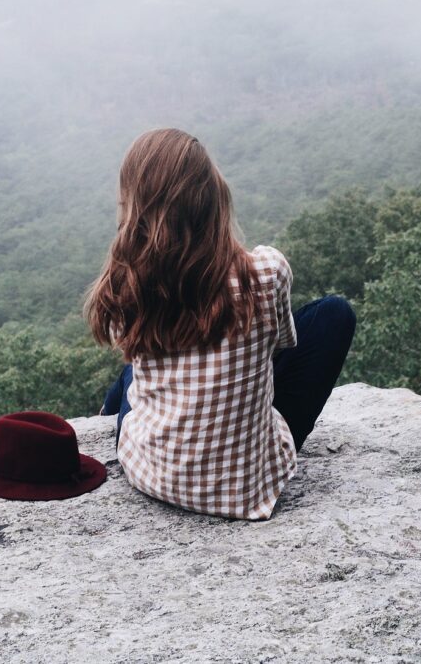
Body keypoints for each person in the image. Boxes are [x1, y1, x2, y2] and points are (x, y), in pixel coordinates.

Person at [84, 128, 355, 520]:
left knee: (132, 372)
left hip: (151, 473)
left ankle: (107, 413)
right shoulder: (267, 271)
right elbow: (279, 347)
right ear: (212, 196)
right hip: (247, 490)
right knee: (334, 314)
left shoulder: (129, 286)